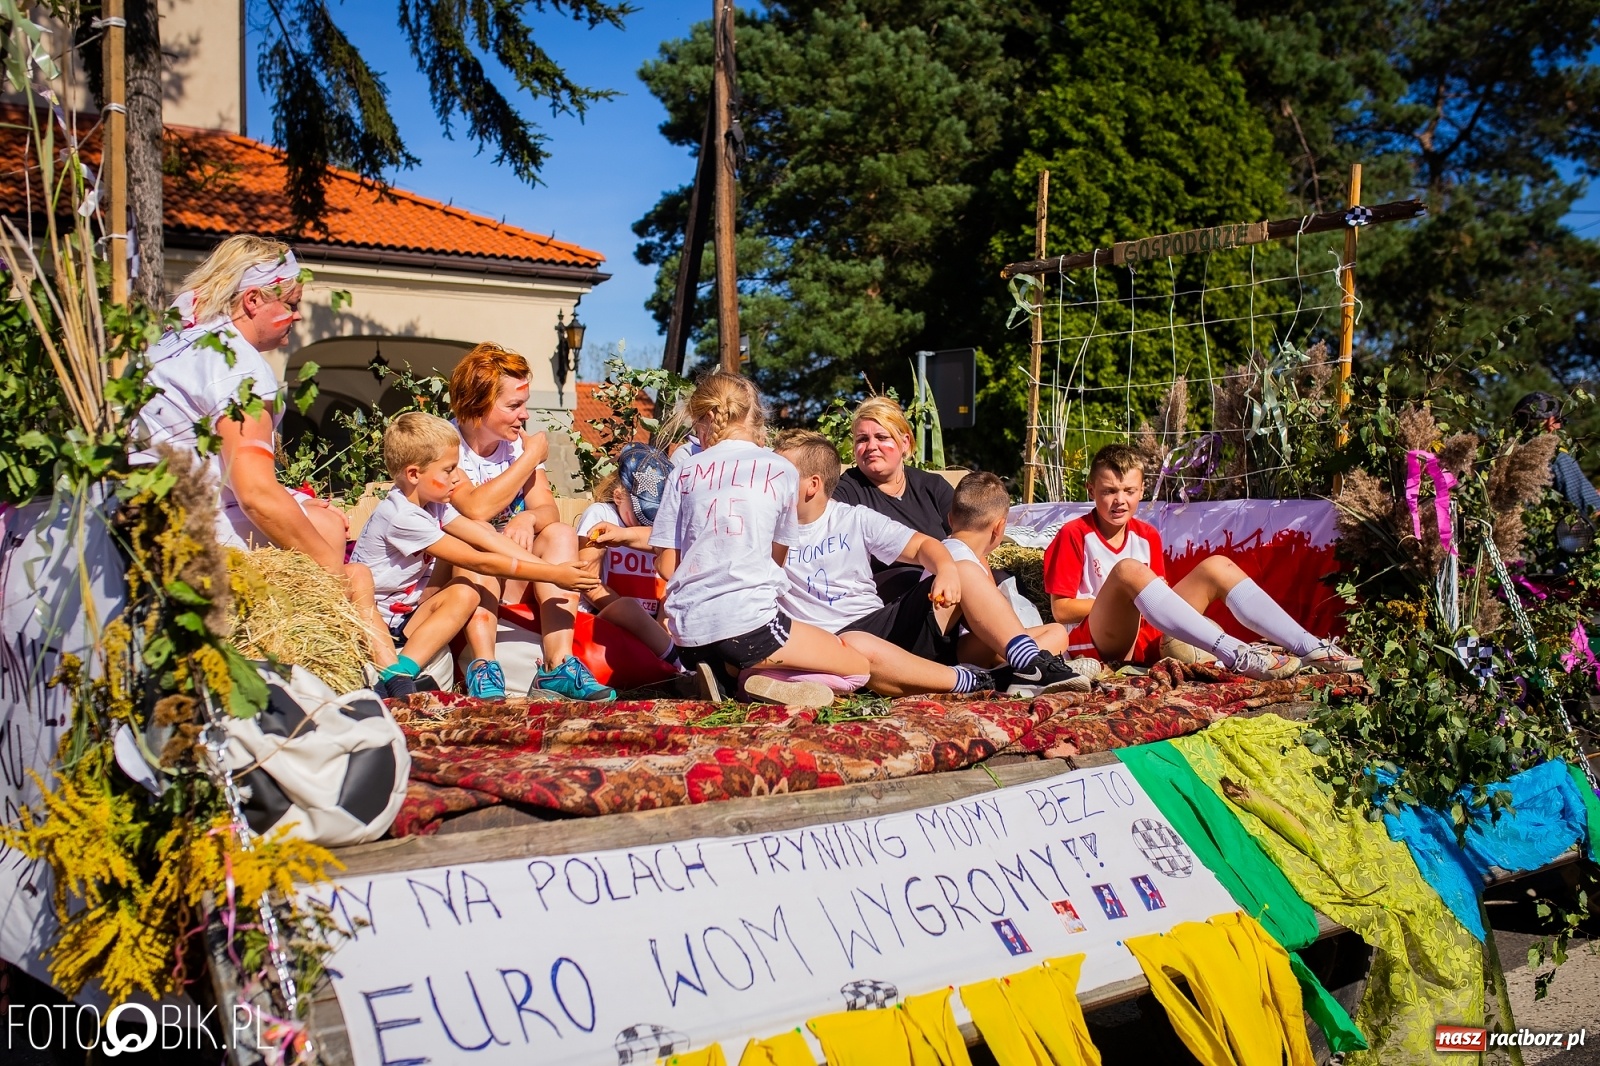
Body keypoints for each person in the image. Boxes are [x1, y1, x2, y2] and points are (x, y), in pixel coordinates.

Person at [129, 234, 398, 672]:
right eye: (291, 303)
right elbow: (255, 494)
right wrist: (331, 576)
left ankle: (377, 671)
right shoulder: (240, 369)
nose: (298, 315)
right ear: (252, 300)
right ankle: (332, 670)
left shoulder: (178, 342)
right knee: (328, 532)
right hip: (193, 533)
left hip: (148, 514)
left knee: (311, 513)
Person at [773, 431, 1087, 697]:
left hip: (885, 625)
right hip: (833, 646)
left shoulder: (853, 518)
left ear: (812, 485)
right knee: (856, 644)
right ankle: (983, 681)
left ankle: (1029, 664)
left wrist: (946, 570)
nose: (767, 483)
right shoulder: (765, 531)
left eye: (777, 476)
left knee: (964, 570)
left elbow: (924, 545)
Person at [649, 372, 872, 708]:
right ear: (755, 414)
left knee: (741, 645)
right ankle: (752, 681)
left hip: (689, 637)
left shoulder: (683, 471)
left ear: (703, 419)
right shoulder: (781, 469)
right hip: (750, 628)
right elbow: (776, 561)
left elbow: (667, 566)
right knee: (858, 669)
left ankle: (721, 675)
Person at [1042, 444, 1361, 678]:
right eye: (1109, 491)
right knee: (1128, 571)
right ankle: (1235, 652)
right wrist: (1130, 600)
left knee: (1217, 565)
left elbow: (1159, 597)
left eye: (1129, 490)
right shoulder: (1074, 534)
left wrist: (1143, 600)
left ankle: (1312, 647)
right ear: (1091, 489)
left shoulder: (1148, 534)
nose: (1120, 500)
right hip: (1099, 640)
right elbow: (1061, 609)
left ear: (1141, 490)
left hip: (1147, 639)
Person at [352, 413, 605, 700]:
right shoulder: (402, 516)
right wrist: (553, 574)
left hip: (408, 616)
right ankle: (397, 680)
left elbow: (489, 540)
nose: (457, 477)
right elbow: (478, 560)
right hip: (373, 619)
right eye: (449, 470)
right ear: (413, 474)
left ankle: (404, 670)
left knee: (465, 592)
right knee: (461, 573)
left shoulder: (434, 506)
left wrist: (553, 571)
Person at [447, 342, 612, 700]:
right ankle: (484, 666)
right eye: (513, 406)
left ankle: (558, 665)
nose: (524, 415)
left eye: (525, 404)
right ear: (478, 403)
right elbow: (474, 509)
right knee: (478, 534)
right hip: (462, 574)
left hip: (515, 569)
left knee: (560, 533)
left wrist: (527, 517)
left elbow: (548, 511)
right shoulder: (447, 444)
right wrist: (531, 457)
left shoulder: (516, 445)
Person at [830, 396, 956, 603]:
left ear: (904, 443)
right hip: (890, 597)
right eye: (862, 439)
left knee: (998, 577)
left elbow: (964, 541)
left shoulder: (933, 487)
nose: (871, 446)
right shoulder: (845, 492)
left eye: (881, 437)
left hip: (945, 581)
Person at [572, 444, 686, 666]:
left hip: (654, 630)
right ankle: (678, 667)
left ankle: (669, 662)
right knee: (628, 608)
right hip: (604, 620)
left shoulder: (667, 529)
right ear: (618, 496)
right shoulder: (601, 515)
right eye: (642, 515)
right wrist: (641, 623)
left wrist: (657, 627)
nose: (649, 523)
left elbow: (668, 587)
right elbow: (588, 583)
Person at [1513, 391, 1600, 516]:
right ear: (1550, 422)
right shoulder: (1556, 457)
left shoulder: (1501, 456)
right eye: (1560, 421)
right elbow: (1592, 511)